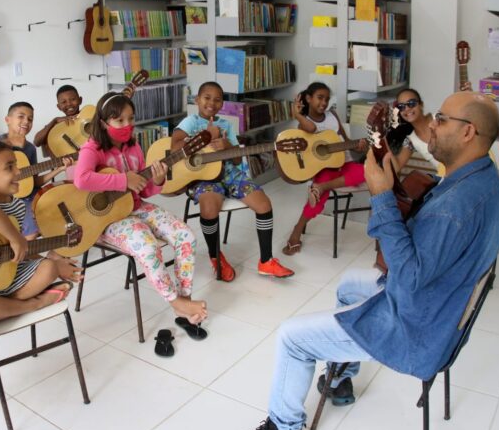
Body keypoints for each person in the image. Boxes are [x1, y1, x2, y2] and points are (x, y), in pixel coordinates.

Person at [226, 92, 499, 430]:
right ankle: (340, 380)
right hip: (440, 308)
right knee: (348, 285)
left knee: (292, 337)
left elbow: (405, 276)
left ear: (468, 132)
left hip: (417, 328)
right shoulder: (483, 178)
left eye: (440, 119)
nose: (430, 126)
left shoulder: (455, 209)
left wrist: (381, 196)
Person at [73, 92, 208, 325]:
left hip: (137, 206)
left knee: (186, 236)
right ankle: (175, 302)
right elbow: (81, 179)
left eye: (131, 118)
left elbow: (143, 191)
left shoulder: (134, 147)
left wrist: (157, 180)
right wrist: (123, 180)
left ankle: (185, 299)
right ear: (104, 123)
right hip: (108, 220)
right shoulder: (92, 148)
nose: (128, 125)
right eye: (120, 120)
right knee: (149, 247)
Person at [170, 81, 294, 281]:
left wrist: (227, 146)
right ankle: (215, 256)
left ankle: (266, 261)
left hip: (230, 175)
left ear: (222, 104)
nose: (212, 103)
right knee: (209, 208)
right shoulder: (190, 122)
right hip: (201, 178)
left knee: (264, 204)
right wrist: (205, 137)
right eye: (207, 98)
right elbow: (174, 147)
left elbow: (237, 159)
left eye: (217, 99)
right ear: (197, 100)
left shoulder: (226, 124)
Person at [0, 141, 74, 337]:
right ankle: (36, 303)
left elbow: (18, 251)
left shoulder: (17, 206)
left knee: (49, 268)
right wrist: (15, 237)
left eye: (16, 165)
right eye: (10, 167)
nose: (18, 172)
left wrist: (55, 262)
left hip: (5, 277)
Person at [283, 82, 367, 255]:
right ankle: (296, 232)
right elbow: (311, 129)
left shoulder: (333, 115)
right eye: (320, 98)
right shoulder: (304, 123)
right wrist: (297, 115)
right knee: (318, 201)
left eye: (327, 99)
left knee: (365, 171)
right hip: (323, 168)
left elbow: (345, 139)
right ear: (308, 98)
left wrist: (356, 146)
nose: (324, 103)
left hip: (344, 163)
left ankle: (322, 187)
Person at [0, 101, 73, 239]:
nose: (26, 121)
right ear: (7, 120)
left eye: (30, 119)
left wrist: (59, 169)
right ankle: (25, 253)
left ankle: (58, 253)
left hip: (29, 195)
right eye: (21, 116)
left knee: (61, 206)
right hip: (10, 198)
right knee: (34, 218)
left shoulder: (30, 148)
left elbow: (34, 182)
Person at [387, 88, 443, 173]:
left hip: (467, 169)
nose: (407, 109)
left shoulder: (440, 118)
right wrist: (381, 138)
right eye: (401, 107)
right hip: (450, 180)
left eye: (411, 103)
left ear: (421, 105)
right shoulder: (411, 141)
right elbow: (396, 167)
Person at [34, 84, 85, 159]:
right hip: (66, 167)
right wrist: (55, 120)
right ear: (59, 107)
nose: (69, 104)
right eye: (64, 102)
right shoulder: (56, 125)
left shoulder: (88, 118)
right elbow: (37, 142)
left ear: (80, 100)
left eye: (73, 99)